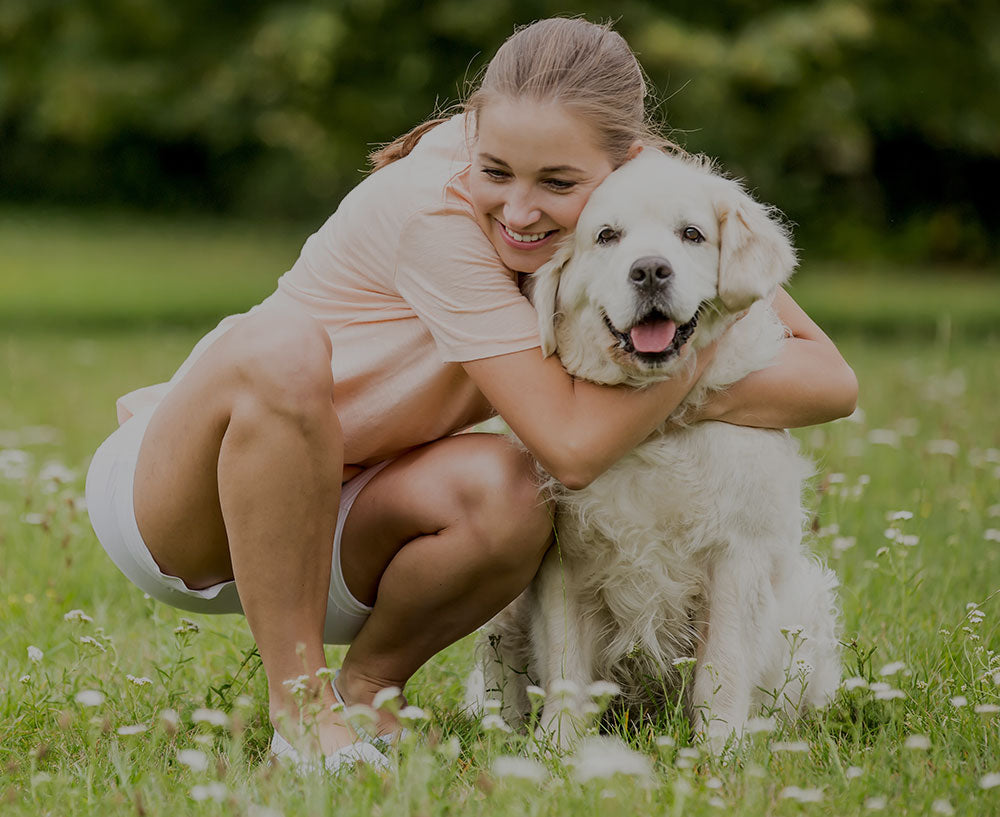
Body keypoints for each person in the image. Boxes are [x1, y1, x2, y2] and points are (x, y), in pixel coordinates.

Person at [85, 17, 857, 771]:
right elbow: (577, 447)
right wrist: (698, 334)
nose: (519, 211)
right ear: (472, 133)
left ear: (624, 162)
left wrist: (692, 315)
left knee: (514, 489)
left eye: (557, 184)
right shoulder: (433, 210)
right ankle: (301, 715)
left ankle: (367, 693)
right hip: (192, 512)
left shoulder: (648, 206)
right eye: (496, 172)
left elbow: (829, 378)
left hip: (348, 521)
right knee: (281, 348)